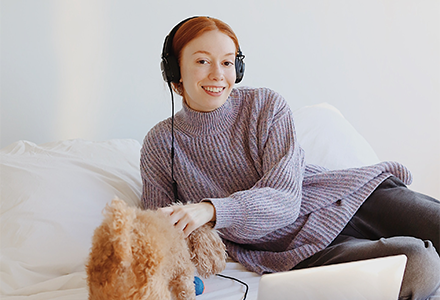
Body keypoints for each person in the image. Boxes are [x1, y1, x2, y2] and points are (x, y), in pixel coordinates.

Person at [141, 16, 440, 300]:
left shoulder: (265, 106)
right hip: (297, 252)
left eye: (228, 62)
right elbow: (159, 233)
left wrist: (212, 210)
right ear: (174, 69)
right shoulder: (159, 144)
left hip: (350, 200)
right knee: (421, 265)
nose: (218, 74)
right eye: (202, 61)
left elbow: (285, 199)